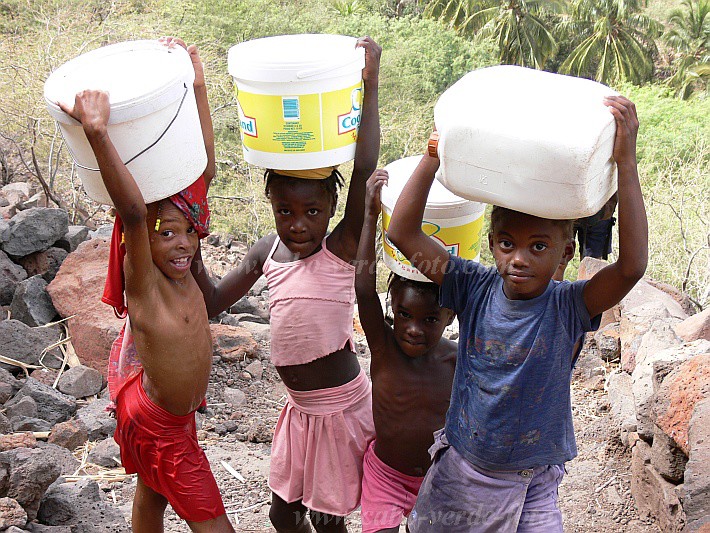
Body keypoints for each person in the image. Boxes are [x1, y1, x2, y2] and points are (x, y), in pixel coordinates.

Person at [387, 96, 647, 532]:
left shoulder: (570, 306)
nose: (519, 258)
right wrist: (432, 159)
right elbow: (401, 231)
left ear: (565, 253)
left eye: (538, 247)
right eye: (507, 243)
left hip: (535, 478)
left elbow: (631, 267)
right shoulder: (471, 286)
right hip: (465, 471)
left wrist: (627, 163)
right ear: (491, 244)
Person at [192, 37, 381, 533]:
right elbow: (212, 300)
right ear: (272, 205)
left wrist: (370, 82)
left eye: (312, 211)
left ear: (332, 211)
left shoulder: (338, 248)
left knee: (328, 518)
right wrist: (190, 244)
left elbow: (362, 170)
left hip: (339, 410)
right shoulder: (264, 252)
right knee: (282, 514)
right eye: (286, 211)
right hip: (298, 412)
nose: (298, 223)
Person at [58, 38, 233, 533]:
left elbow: (203, 168)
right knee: (214, 523)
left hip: (160, 411)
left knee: (151, 497)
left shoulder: (183, 273)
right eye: (166, 235)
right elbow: (134, 212)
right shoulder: (146, 287)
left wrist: (196, 84)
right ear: (140, 245)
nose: (181, 245)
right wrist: (97, 133)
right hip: (163, 424)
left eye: (187, 232)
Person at [354, 169, 457, 533]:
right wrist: (370, 214)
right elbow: (364, 290)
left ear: (451, 315)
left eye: (430, 319)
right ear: (391, 310)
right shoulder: (384, 348)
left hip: (439, 479)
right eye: (404, 315)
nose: (414, 328)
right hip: (385, 474)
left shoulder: (457, 360)